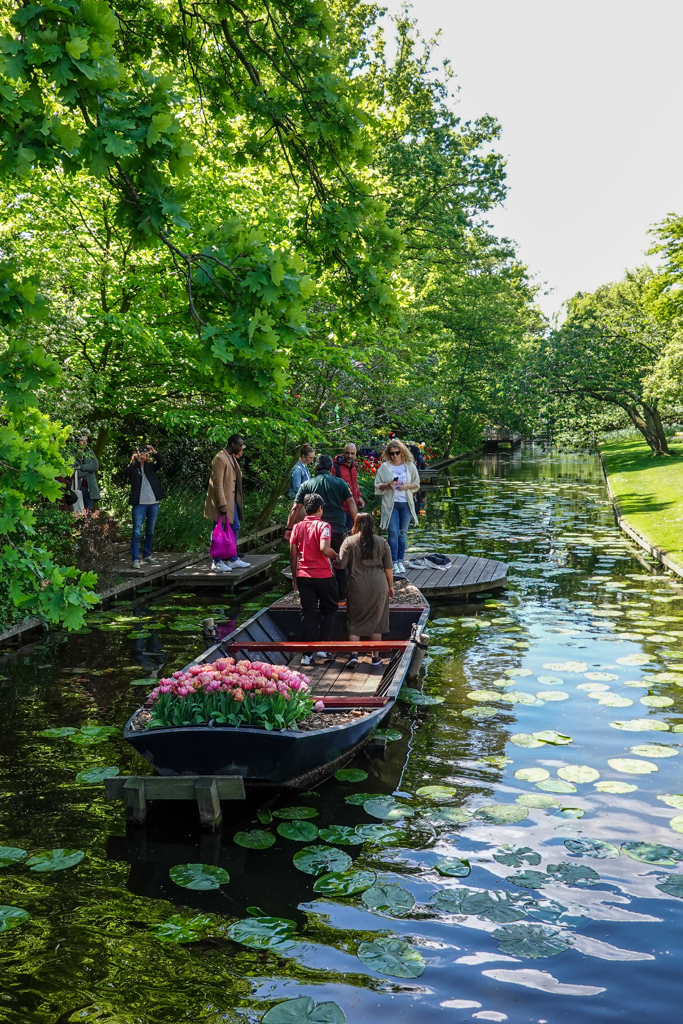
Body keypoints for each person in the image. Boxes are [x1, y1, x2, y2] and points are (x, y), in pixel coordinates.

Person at [285, 454, 358, 602]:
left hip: (315, 531)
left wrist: (289, 528)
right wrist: (357, 526)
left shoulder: (307, 484)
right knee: (340, 562)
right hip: (338, 528)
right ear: (331, 468)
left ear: (316, 468)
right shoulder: (341, 483)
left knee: (315, 561)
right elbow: (351, 504)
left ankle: (316, 595)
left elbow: (295, 508)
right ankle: (341, 596)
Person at [337, 513, 393, 668]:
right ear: (372, 524)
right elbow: (389, 567)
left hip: (357, 584)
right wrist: (390, 586)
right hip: (378, 584)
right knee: (378, 621)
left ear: (355, 524)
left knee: (355, 619)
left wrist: (332, 556)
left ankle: (353, 655)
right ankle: (375, 658)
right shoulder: (382, 542)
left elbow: (340, 564)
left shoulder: (348, 541)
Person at [290, 493, 339, 667]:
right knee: (330, 609)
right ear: (319, 509)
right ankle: (323, 647)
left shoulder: (297, 527)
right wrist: (337, 557)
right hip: (323, 575)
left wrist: (295, 576)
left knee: (308, 613)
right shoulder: (324, 525)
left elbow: (293, 554)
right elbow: (325, 549)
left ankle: (307, 655)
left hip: (304, 576)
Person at [204, 434, 251, 573]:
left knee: (235, 527)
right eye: (240, 445)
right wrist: (222, 503)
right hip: (223, 502)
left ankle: (232, 558)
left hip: (232, 501)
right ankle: (216, 561)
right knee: (219, 529)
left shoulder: (230, 457)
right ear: (233, 445)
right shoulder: (220, 458)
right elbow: (217, 483)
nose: (241, 448)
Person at [374, 438, 420, 576]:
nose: (394, 455)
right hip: (391, 504)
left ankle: (400, 560)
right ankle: (392, 561)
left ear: (402, 452)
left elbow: (417, 484)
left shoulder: (409, 466)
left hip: (406, 503)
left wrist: (405, 486)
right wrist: (388, 485)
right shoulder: (384, 467)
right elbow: (377, 485)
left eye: (397, 452)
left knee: (403, 533)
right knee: (393, 532)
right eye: (392, 453)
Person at [123, 444, 166, 569]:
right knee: (137, 531)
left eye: (145, 453)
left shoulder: (151, 467)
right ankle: (135, 559)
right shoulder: (133, 467)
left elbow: (161, 463)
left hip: (153, 502)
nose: (143, 455)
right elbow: (126, 473)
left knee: (150, 531)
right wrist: (136, 461)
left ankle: (147, 555)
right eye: (141, 453)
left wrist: (155, 452)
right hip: (139, 504)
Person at [333, 442, 365, 531]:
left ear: (355, 454)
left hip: (353, 508)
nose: (349, 456)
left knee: (354, 534)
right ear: (343, 452)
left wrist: (359, 497)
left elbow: (355, 484)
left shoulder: (354, 466)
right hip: (340, 509)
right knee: (342, 536)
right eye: (347, 453)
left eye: (352, 453)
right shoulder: (335, 467)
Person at [74, 434, 100, 510]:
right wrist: (88, 471)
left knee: (89, 514)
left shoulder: (89, 452)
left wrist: (81, 467)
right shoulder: (72, 453)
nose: (85, 443)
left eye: (86, 441)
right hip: (77, 487)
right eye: (82, 440)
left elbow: (95, 465)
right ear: (77, 441)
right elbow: (73, 471)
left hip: (90, 488)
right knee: (78, 514)